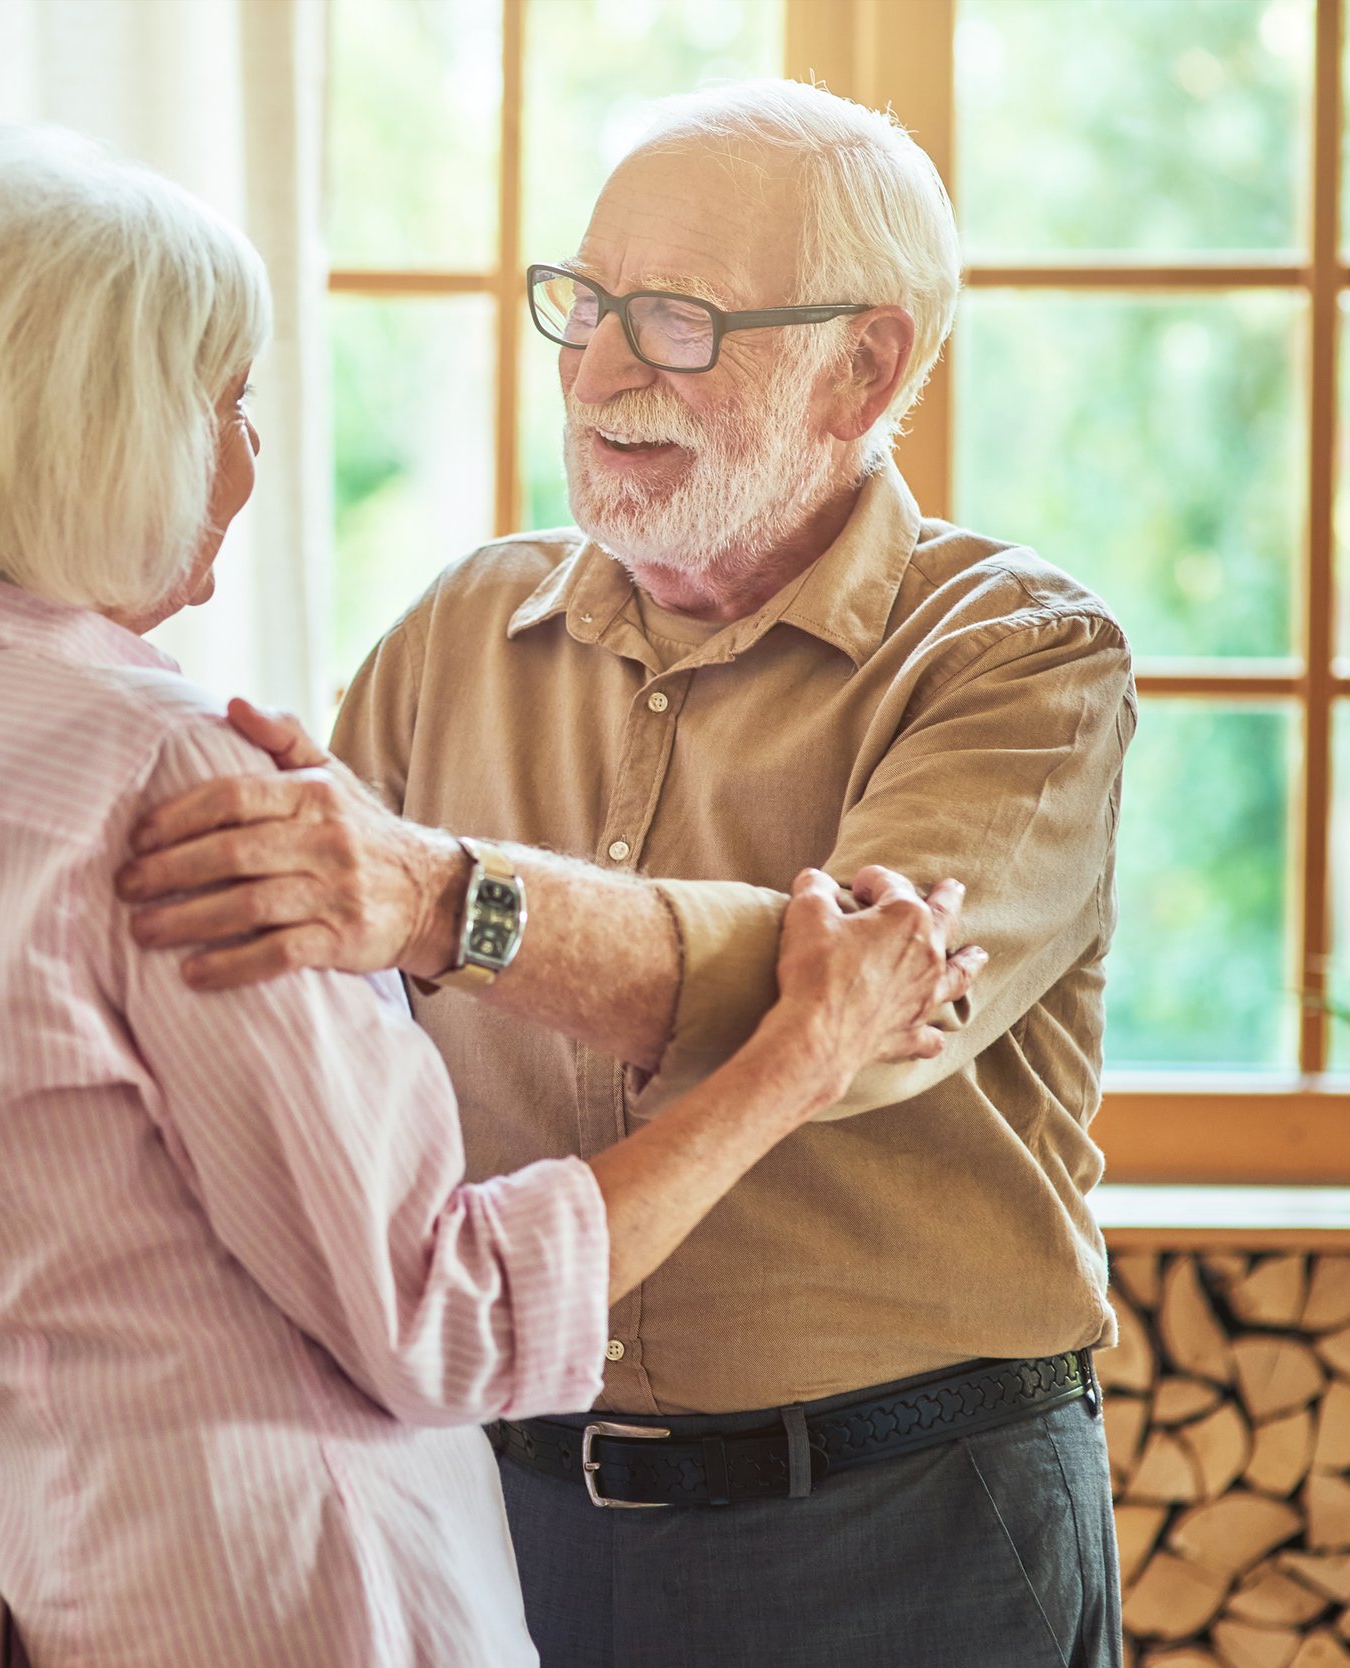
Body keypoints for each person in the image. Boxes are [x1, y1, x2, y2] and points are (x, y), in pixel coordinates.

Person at [0, 124, 975, 1668]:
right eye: (228, 403)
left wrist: (28, 1449)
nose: (247, 457)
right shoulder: (172, 778)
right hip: (317, 1610)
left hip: (58, 1603)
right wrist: (798, 1053)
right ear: (108, 433)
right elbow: (446, 1320)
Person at [102, 82, 1133, 1666]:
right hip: (502, 1513)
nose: (593, 373)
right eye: (583, 305)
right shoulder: (457, 631)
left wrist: (452, 901)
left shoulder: (1018, 657)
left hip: (908, 1529)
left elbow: (860, 1017)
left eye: (673, 322)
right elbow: (268, 1066)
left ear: (866, 366)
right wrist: (56, 1415)